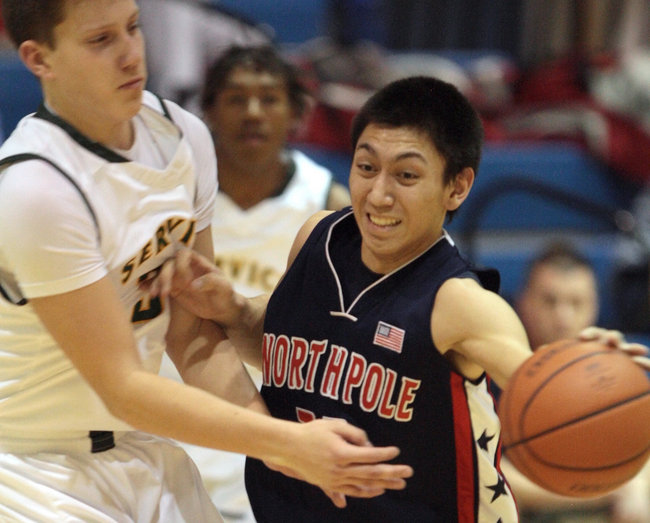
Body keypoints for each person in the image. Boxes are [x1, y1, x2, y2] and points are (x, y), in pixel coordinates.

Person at [151, 74, 650, 521]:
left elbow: (537, 390)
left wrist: (593, 378)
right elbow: (301, 359)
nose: (378, 194)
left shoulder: (461, 303)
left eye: (406, 176)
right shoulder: (318, 238)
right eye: (367, 167)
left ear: (457, 187)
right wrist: (234, 310)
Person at [0, 1, 414, 521]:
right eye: (101, 40)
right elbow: (122, 388)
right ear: (39, 58)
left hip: (138, 450)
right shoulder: (36, 188)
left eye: (133, 28)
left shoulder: (182, 135)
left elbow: (192, 332)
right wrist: (286, 442)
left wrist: (282, 450)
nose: (131, 54)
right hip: (33, 469)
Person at [159, 44, 351, 522]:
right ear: (208, 112)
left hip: (276, 424)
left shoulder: (328, 203)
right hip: (175, 415)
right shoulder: (171, 198)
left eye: (268, 99)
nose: (252, 113)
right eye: (235, 98)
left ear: (295, 114)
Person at [504, 241, 650, 523]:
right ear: (524, 302)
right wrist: (606, 491)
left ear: (595, 305)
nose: (563, 317)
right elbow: (486, 470)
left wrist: (637, 483)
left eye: (576, 302)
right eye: (550, 301)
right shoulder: (493, 370)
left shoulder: (622, 368)